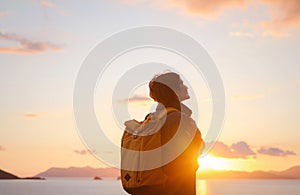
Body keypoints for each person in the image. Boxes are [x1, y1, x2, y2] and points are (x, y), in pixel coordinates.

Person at [123, 72, 204, 195]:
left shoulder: (151, 119)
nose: (186, 87)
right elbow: (195, 152)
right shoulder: (181, 119)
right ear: (173, 91)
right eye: (181, 84)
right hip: (177, 189)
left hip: (152, 188)